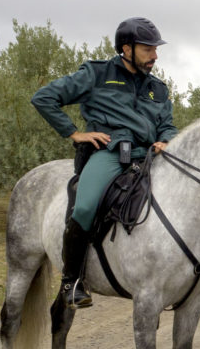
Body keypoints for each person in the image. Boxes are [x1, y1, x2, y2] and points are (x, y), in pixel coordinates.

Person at [31, 17, 177, 309]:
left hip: (149, 157)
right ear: (127, 48)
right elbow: (44, 98)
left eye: (156, 49)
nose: (155, 55)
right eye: (148, 49)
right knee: (84, 206)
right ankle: (72, 281)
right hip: (110, 153)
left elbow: (167, 125)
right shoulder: (96, 74)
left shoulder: (158, 89)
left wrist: (167, 140)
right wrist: (75, 134)